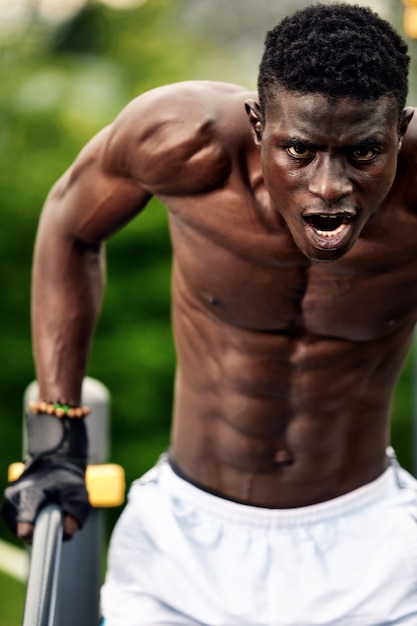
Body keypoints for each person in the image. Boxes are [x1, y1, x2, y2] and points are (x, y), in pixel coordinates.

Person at [2, 2, 417, 624]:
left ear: (399, 128)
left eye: (362, 154)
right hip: (182, 547)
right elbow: (68, 224)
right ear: (257, 123)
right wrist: (58, 436)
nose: (329, 187)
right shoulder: (180, 141)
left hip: (371, 552)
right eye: (300, 149)